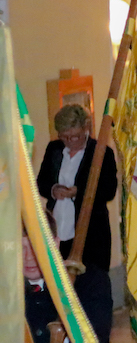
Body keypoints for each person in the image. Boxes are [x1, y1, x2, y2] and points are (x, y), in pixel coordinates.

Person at [37, 104, 117, 272]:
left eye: (75, 136)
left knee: (90, 286)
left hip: (91, 235)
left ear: (86, 128)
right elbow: (41, 182)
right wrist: (53, 190)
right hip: (58, 233)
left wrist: (78, 192)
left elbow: (109, 191)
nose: (70, 141)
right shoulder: (54, 149)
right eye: (64, 137)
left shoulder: (101, 152)